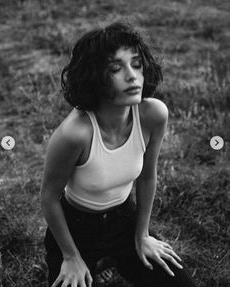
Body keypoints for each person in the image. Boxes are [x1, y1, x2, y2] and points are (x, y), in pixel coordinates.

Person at [40, 20, 197, 287]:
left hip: (124, 219)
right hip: (76, 228)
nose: (132, 76)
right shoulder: (75, 133)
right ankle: (91, 261)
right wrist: (71, 256)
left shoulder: (153, 115)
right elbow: (49, 197)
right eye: (116, 68)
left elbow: (147, 177)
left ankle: (116, 257)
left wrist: (142, 234)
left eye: (136, 64)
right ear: (94, 76)